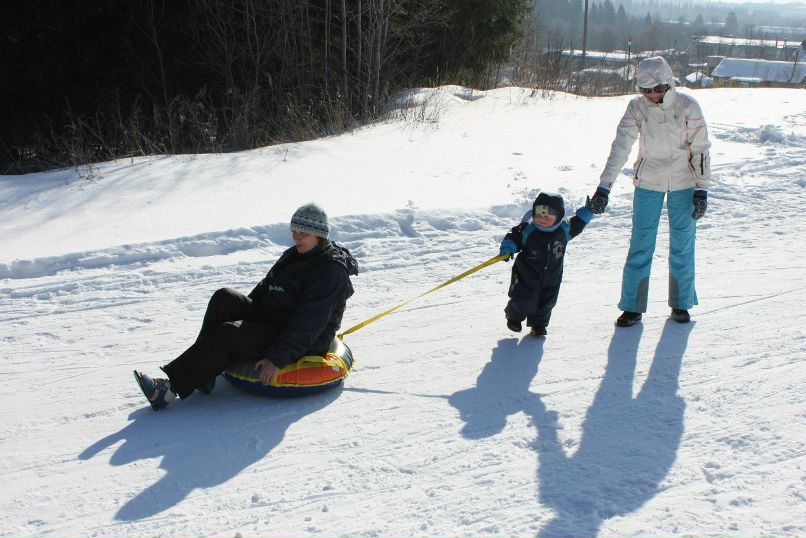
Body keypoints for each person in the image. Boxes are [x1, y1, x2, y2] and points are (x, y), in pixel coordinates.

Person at [134, 203, 359, 410]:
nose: (296, 237)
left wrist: (277, 358)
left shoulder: (330, 271)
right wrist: (244, 315)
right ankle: (203, 374)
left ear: (320, 235)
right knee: (225, 298)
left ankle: (168, 390)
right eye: (294, 231)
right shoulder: (296, 255)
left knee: (229, 332)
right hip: (277, 319)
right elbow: (266, 288)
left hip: (303, 338)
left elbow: (309, 323)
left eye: (303, 233)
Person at [588, 56, 711, 327]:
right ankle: (632, 307)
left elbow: (700, 148)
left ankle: (681, 303)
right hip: (648, 183)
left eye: (657, 88)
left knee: (683, 243)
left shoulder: (687, 106)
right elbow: (620, 147)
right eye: (646, 90)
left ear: (668, 83)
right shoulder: (637, 108)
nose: (652, 95)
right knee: (641, 244)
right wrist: (604, 186)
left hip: (683, 183)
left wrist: (702, 189)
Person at [499, 191, 592, 337]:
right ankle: (514, 317)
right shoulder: (528, 229)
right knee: (524, 298)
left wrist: (587, 212)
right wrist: (508, 247)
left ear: (558, 217)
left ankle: (538, 324)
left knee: (547, 302)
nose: (541, 219)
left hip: (553, 275)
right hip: (527, 274)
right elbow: (514, 236)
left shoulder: (564, 229)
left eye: (547, 216)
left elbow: (578, 224)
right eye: (538, 215)